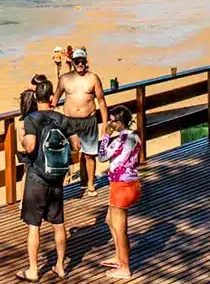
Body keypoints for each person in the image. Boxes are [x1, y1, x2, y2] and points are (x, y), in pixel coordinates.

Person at [17, 77, 70, 281]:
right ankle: (60, 266)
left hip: (37, 178)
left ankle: (33, 270)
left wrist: (22, 137)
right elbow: (75, 144)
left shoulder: (31, 119)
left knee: (34, 226)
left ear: (35, 97)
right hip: (56, 178)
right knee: (58, 224)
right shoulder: (61, 118)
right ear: (51, 96)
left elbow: (29, 146)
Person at [52, 48, 109, 197]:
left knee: (90, 154)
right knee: (66, 154)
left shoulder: (93, 78)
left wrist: (105, 123)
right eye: (77, 61)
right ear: (73, 62)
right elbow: (55, 99)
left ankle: (90, 184)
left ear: (86, 62)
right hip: (69, 122)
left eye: (82, 61)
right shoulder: (65, 79)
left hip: (89, 120)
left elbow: (101, 101)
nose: (80, 64)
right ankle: (63, 185)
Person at [99, 106, 141, 280]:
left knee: (120, 228)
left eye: (112, 121)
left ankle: (124, 266)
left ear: (120, 122)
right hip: (132, 182)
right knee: (110, 219)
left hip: (121, 186)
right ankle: (119, 256)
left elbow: (102, 156)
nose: (110, 123)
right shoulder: (135, 136)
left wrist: (106, 136)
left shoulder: (120, 140)